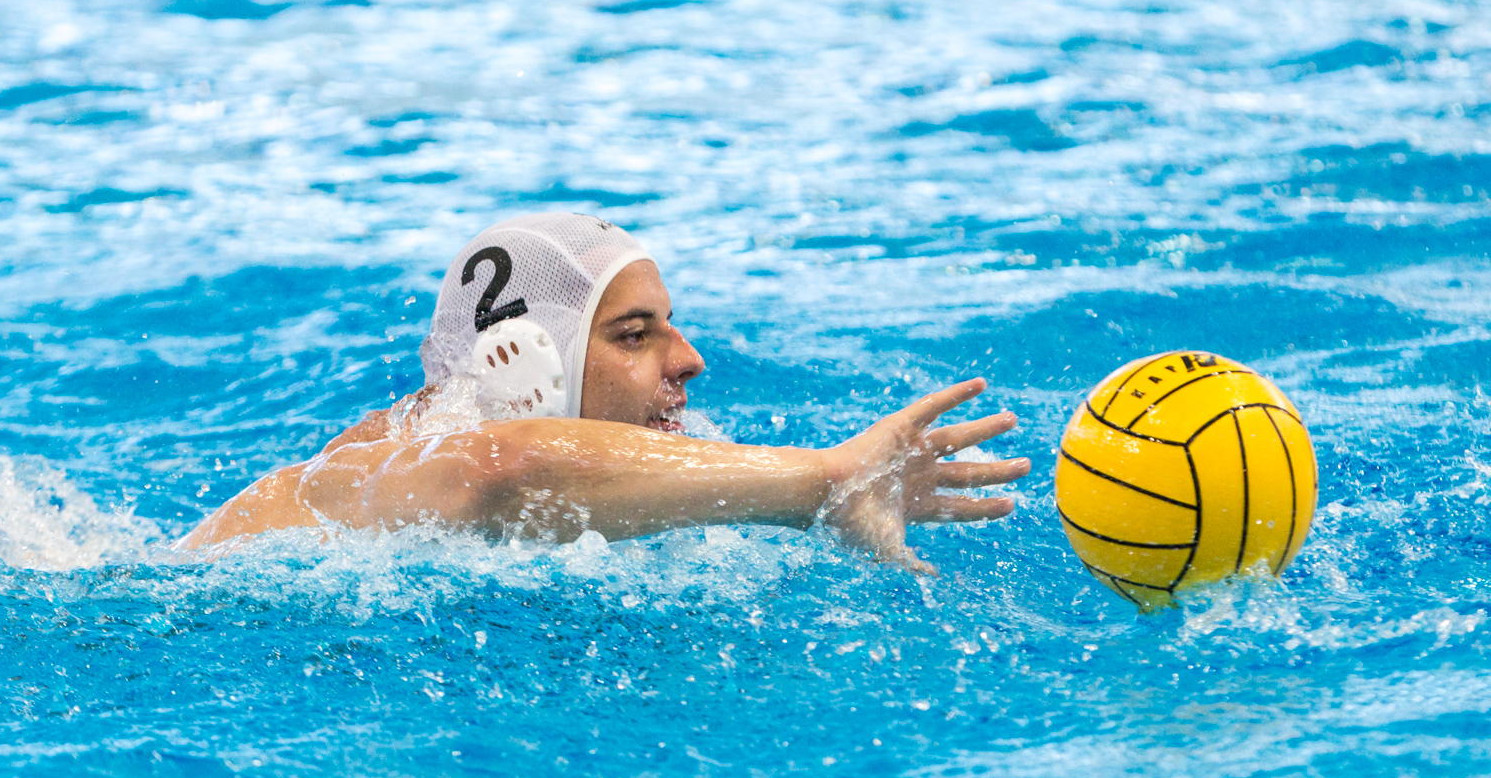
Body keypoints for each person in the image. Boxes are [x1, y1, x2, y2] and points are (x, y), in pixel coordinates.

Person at [179, 213, 1030, 572]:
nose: (689, 359)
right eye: (635, 333)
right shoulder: (399, 465)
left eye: (673, 323)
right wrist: (824, 480)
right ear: (522, 364)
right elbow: (498, 471)